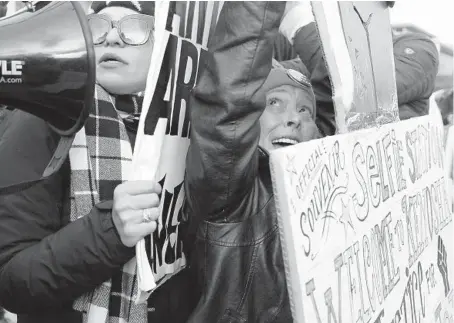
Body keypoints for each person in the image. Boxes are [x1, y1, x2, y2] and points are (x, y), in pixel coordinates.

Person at [0, 2, 197, 323]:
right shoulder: (39, 120)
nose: (113, 39)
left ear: (162, 49)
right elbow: (10, 281)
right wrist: (110, 231)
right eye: (96, 28)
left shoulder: (185, 130)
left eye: (135, 29)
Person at [183, 2, 319, 321]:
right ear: (250, 119)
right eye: (275, 103)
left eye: (305, 111)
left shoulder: (325, 194)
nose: (293, 120)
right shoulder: (233, 195)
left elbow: (344, 93)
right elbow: (229, 102)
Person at [274, 2, 439, 136]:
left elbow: (356, 91)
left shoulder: (419, 48)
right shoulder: (330, 54)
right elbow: (279, 75)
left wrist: (295, 18)